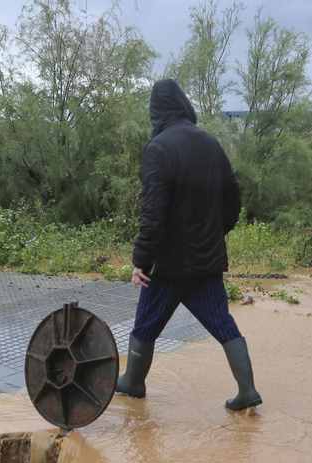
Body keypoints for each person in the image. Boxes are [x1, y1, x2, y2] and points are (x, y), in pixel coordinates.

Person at [115, 79, 260, 411]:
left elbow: (154, 212)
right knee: (223, 323)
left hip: (166, 267)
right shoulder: (211, 144)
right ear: (183, 104)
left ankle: (134, 382)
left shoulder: (158, 148)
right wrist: (214, 234)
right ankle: (247, 390)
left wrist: (141, 259)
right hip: (205, 263)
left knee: (145, 325)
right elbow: (233, 200)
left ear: (156, 111)